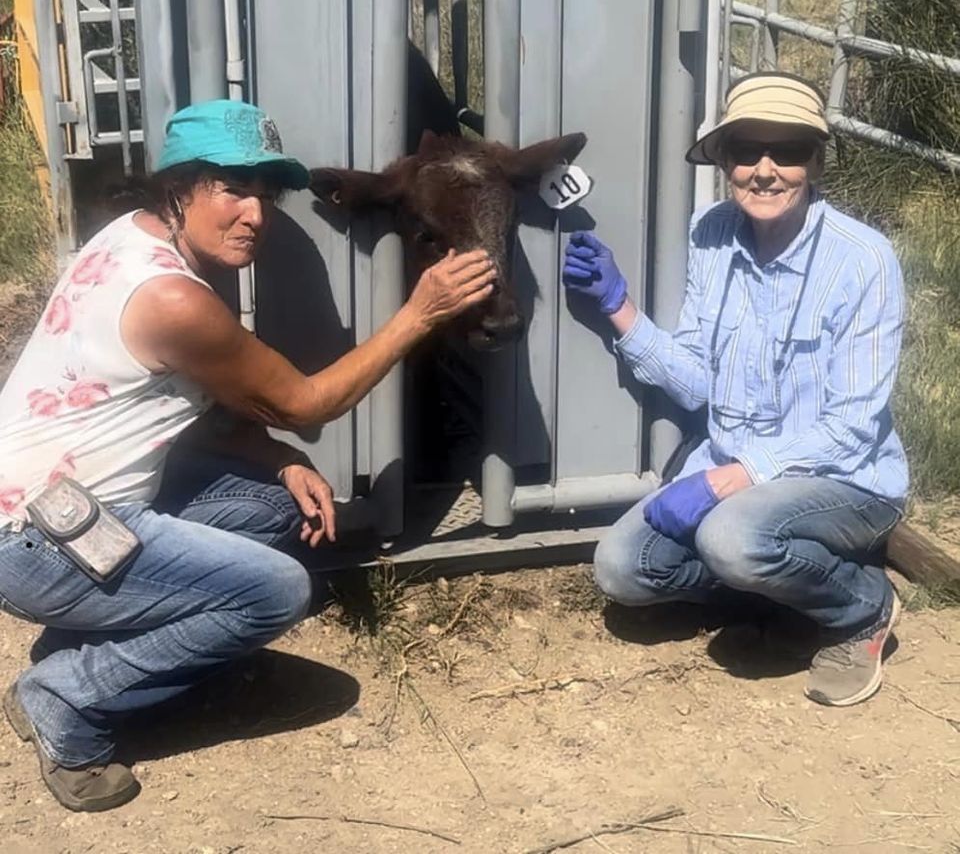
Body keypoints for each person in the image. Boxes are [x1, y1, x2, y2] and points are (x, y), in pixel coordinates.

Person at [0, 99, 496, 812]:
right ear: (178, 190)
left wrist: (277, 457)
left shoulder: (128, 239)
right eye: (233, 188)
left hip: (56, 510)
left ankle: (73, 651)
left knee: (271, 503)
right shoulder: (173, 297)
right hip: (40, 540)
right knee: (276, 591)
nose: (256, 214)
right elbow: (307, 404)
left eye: (267, 193)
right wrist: (420, 314)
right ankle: (66, 700)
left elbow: (155, 410)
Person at [562, 72, 907, 708]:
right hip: (734, 474)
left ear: (816, 163)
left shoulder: (864, 260)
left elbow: (852, 424)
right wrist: (619, 309)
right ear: (723, 161)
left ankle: (860, 608)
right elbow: (697, 380)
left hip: (846, 479)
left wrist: (731, 479)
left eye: (789, 151)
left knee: (731, 538)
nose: (766, 170)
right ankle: (778, 590)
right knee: (622, 570)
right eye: (746, 150)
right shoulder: (711, 233)